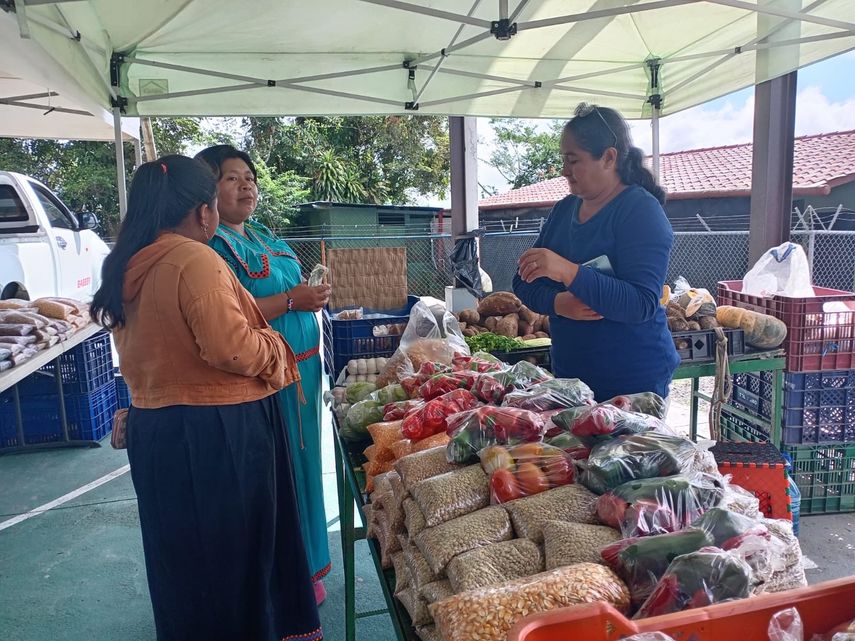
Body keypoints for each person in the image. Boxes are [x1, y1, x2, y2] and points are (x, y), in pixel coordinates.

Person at [90, 155, 322, 641]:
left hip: (159, 428)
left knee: (181, 560)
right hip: (220, 431)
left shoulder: (128, 262)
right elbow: (229, 347)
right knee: (236, 557)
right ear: (203, 212)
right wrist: (277, 349)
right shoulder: (194, 259)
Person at [194, 145, 332, 604]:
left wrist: (310, 295)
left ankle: (309, 564)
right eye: (232, 178)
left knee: (307, 465)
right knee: (279, 471)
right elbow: (233, 314)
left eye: (249, 176)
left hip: (306, 371)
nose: (246, 184)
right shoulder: (212, 248)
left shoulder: (264, 235)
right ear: (208, 189)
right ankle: (284, 576)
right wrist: (293, 301)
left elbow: (294, 288)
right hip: (263, 379)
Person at [513, 103, 679, 403]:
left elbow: (641, 303)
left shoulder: (640, 211)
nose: (565, 171)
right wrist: (557, 302)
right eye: (563, 159)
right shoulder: (564, 210)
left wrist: (569, 272)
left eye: (573, 160)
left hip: (632, 383)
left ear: (609, 157)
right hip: (572, 381)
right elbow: (523, 281)